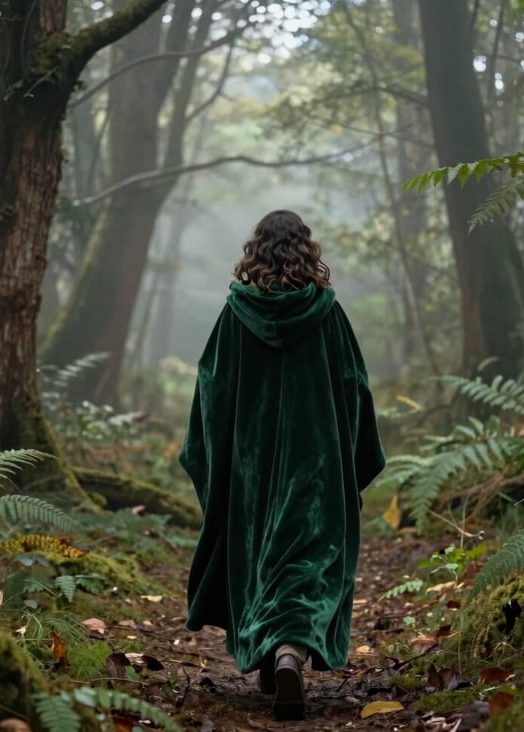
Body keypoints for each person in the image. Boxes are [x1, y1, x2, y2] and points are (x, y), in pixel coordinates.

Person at [179, 209, 386, 721]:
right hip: (315, 464)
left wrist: (216, 458)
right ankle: (288, 651)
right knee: (304, 558)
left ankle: (278, 655)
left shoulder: (235, 315)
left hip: (251, 470)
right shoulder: (328, 313)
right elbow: (354, 387)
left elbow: (212, 389)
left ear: (257, 250)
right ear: (306, 250)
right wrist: (350, 456)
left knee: (261, 558)